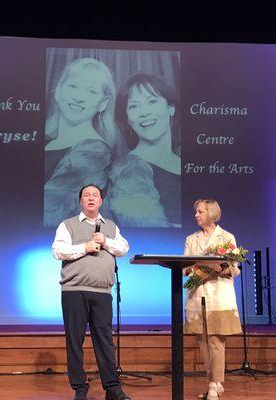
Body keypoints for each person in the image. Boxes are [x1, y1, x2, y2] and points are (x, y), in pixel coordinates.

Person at [52, 184, 131, 400]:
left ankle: (112, 388)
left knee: (104, 340)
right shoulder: (67, 225)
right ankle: (80, 387)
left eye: (95, 195)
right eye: (86, 195)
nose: (91, 198)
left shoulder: (110, 226)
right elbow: (58, 251)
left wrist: (106, 241)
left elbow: (123, 248)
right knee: (75, 340)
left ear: (101, 201)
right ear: (80, 201)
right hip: (74, 291)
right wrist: (84, 248)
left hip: (102, 292)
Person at [44, 57, 119, 226]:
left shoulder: (94, 151)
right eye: (73, 86)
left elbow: (56, 214)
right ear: (58, 91)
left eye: (91, 91)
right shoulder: (45, 141)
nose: (79, 97)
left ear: (103, 103)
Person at [184, 199, 242, 400]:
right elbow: (184, 268)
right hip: (197, 296)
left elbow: (234, 269)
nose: (196, 215)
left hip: (219, 297)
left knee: (216, 341)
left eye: (200, 211)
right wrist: (196, 268)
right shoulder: (191, 239)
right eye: (196, 211)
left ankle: (213, 384)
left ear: (211, 213)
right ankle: (215, 383)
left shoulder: (226, 237)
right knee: (202, 343)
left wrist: (221, 267)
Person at [107, 73, 181, 227]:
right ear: (127, 118)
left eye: (152, 101)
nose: (144, 112)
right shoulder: (128, 170)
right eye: (134, 106)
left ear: (171, 108)